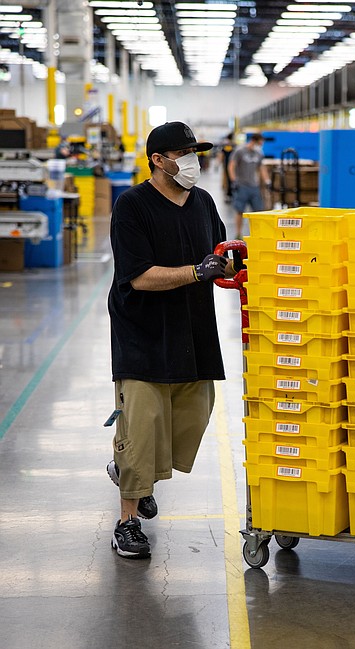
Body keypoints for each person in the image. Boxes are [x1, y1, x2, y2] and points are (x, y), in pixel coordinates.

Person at [106, 121, 241, 559]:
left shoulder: (202, 202)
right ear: (158, 160)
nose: (192, 161)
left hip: (192, 330)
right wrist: (195, 272)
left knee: (190, 418)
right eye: (182, 154)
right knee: (142, 428)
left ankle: (130, 470)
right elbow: (139, 277)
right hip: (142, 332)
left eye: (195, 152)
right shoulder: (132, 206)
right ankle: (127, 520)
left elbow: (220, 252)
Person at [227, 132, 271, 239]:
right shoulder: (240, 151)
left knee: (258, 212)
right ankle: (238, 233)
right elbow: (231, 166)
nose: (261, 145)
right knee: (239, 210)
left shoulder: (259, 153)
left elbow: (261, 168)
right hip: (242, 185)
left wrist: (267, 181)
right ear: (254, 141)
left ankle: (257, 234)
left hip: (254, 186)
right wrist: (234, 181)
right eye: (260, 143)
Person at [217, 132, 235, 203]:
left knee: (228, 179)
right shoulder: (231, 145)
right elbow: (222, 155)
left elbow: (222, 155)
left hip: (227, 163)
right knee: (228, 179)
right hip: (229, 164)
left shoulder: (226, 145)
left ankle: (229, 193)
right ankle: (229, 193)